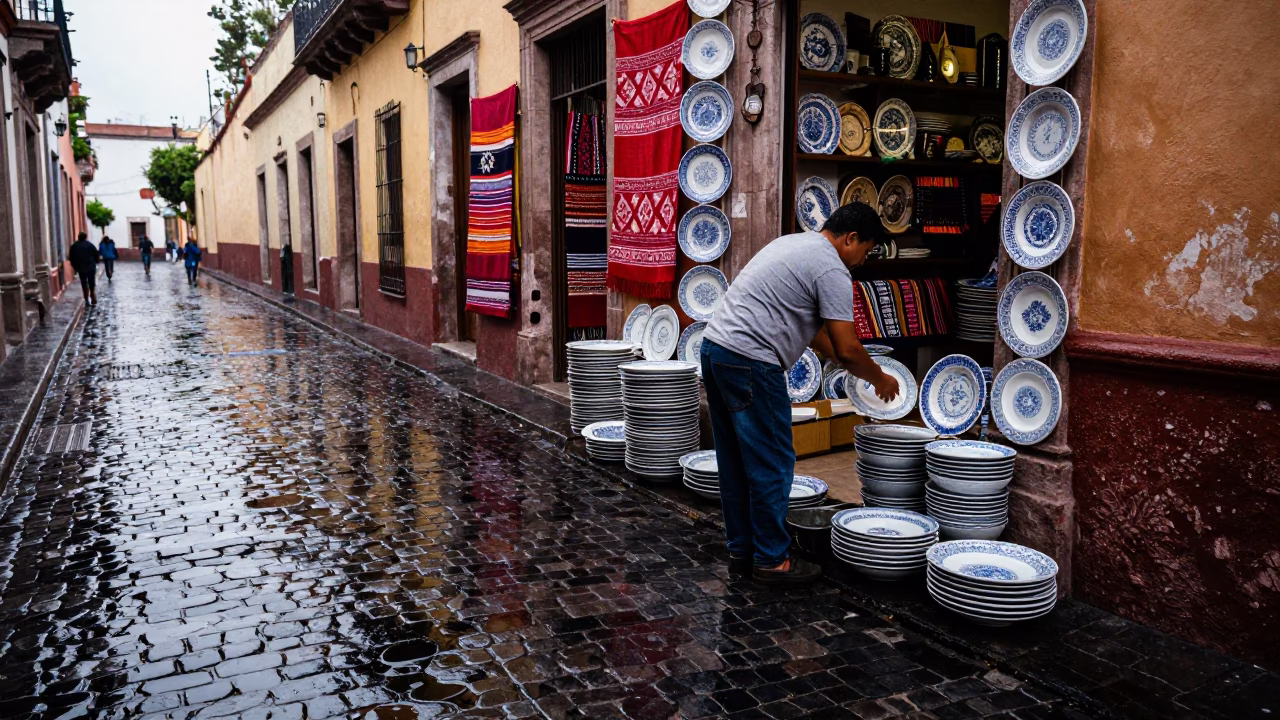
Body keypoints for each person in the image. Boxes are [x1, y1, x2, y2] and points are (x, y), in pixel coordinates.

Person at [699, 202, 900, 586]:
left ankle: (743, 551)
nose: (863, 260)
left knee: (737, 462)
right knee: (773, 461)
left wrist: (849, 366)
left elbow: (821, 337)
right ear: (851, 238)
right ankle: (772, 561)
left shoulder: (796, 244)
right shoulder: (832, 269)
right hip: (751, 360)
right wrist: (880, 379)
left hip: (716, 350)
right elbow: (848, 348)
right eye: (866, 250)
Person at [68, 232, 100, 307]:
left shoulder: (74, 246)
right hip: (91, 267)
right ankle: (92, 294)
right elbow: (96, 254)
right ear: (85, 237)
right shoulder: (90, 245)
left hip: (81, 268)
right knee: (91, 282)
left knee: (84, 283)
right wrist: (96, 262)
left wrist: (75, 267)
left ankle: (86, 300)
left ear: (78, 237)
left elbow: (71, 257)